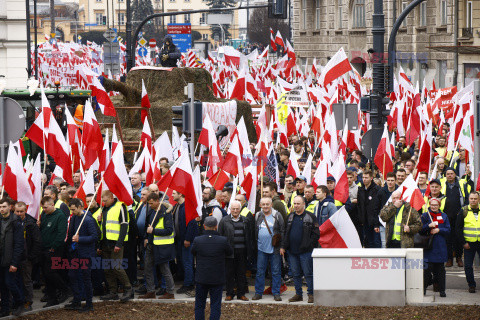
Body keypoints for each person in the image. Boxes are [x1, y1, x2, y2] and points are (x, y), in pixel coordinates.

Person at [191, 216, 233, 320]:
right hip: (217, 277)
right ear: (216, 227)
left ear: (204, 226)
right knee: (215, 304)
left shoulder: (198, 240)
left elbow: (193, 252)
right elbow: (230, 252)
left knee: (200, 304)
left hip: (202, 277)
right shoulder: (222, 240)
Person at [280, 196, 320, 303]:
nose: (296, 206)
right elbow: (285, 232)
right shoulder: (290, 217)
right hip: (292, 252)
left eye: (298, 204)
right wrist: (283, 246)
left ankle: (311, 294)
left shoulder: (310, 216)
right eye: (295, 204)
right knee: (295, 274)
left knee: (308, 274)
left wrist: (308, 245)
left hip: (306, 252)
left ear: (303, 204)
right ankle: (298, 295)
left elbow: (316, 234)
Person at [97, 191, 133, 302]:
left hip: (115, 244)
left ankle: (128, 289)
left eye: (105, 200)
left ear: (112, 198)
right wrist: (99, 222)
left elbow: (124, 225)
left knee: (117, 267)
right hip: (105, 243)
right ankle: (113, 292)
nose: (104, 202)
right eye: (102, 200)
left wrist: (119, 243)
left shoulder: (121, 206)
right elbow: (104, 227)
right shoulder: (104, 209)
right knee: (107, 269)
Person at [65, 198, 98, 312]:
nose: (72, 212)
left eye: (74, 209)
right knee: (72, 275)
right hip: (75, 253)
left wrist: (80, 239)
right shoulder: (74, 217)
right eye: (71, 210)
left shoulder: (88, 219)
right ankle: (76, 301)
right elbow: (71, 234)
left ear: (80, 207)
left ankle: (89, 304)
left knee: (86, 278)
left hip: (85, 254)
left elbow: (94, 236)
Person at [141, 192, 175, 299]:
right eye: (149, 203)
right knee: (147, 268)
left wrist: (154, 231)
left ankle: (170, 292)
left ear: (157, 201)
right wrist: (146, 237)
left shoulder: (166, 213)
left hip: (161, 246)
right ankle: (151, 291)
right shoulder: (151, 212)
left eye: (151, 203)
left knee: (164, 269)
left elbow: (169, 230)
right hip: (151, 244)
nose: (150, 205)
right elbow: (148, 226)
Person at [218, 200, 254, 301]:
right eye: (233, 209)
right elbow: (220, 236)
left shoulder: (245, 220)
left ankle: (241, 294)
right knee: (229, 274)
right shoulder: (224, 221)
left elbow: (249, 236)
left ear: (240, 209)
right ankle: (229, 293)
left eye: (237, 209)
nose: (235, 211)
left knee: (241, 274)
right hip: (229, 252)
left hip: (242, 252)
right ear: (230, 209)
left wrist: (249, 252)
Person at [39, 196, 69, 307]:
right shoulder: (44, 215)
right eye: (43, 207)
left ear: (52, 205)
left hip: (54, 250)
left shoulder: (60, 216)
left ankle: (64, 288)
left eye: (46, 207)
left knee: (51, 272)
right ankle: (52, 298)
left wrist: (53, 247)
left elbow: (61, 234)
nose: (44, 209)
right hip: (44, 249)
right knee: (46, 275)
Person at [252, 197, 284, 301]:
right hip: (261, 248)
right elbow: (255, 231)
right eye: (263, 204)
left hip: (275, 249)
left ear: (271, 205)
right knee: (260, 271)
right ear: (260, 205)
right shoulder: (258, 215)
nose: (265, 206)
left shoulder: (277, 215)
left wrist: (282, 247)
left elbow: (283, 231)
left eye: (267, 204)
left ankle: (276, 293)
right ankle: (258, 293)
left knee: (275, 271)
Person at [13, 201, 41, 312]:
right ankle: (17, 301)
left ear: (25, 211)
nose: (19, 213)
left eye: (21, 211)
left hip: (26, 257)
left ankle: (28, 302)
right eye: (17, 211)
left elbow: (37, 242)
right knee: (14, 280)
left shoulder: (31, 224)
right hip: (14, 257)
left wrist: (31, 256)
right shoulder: (12, 221)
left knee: (26, 281)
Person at [0, 198, 26, 317]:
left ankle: (20, 303)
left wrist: (14, 262)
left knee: (10, 282)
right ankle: (5, 308)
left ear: (10, 207)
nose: (2, 209)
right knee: (2, 285)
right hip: (1, 258)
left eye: (4, 206)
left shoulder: (16, 222)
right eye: (0, 207)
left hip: (10, 260)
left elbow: (19, 244)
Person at [441, 167, 470, 267]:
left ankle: (458, 258)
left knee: (458, 238)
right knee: (448, 239)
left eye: (451, 173)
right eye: (447, 174)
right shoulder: (442, 184)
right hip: (446, 216)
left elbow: (466, 198)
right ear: (445, 175)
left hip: (459, 215)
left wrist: (463, 211)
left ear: (455, 174)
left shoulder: (461, 184)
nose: (449, 175)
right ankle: (449, 259)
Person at [421, 198, 450, 297]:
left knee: (440, 271)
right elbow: (420, 230)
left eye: (436, 205)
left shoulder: (444, 216)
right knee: (426, 271)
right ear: (429, 205)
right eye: (432, 205)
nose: (434, 207)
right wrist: (428, 225)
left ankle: (442, 290)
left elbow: (448, 230)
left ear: (439, 206)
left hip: (440, 247)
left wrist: (439, 230)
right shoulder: (425, 216)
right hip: (429, 248)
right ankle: (423, 289)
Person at [455, 192, 480, 293]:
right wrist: (463, 242)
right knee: (468, 266)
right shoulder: (464, 210)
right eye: (471, 198)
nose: (473, 200)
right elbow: (458, 228)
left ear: (478, 200)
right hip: (469, 243)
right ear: (468, 199)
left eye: (475, 198)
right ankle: (471, 285)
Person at [358, 170, 381, 248]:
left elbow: (377, 206)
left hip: (374, 220)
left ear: (371, 178)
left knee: (376, 242)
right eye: (363, 177)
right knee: (367, 242)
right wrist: (361, 219)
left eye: (366, 178)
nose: (364, 179)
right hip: (365, 221)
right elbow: (359, 205)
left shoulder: (377, 189)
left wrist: (376, 222)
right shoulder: (360, 190)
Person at [376, 172, 398, 247]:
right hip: (383, 223)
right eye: (388, 180)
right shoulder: (381, 192)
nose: (390, 182)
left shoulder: (399, 191)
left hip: (396, 222)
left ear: (395, 181)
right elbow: (376, 208)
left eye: (392, 180)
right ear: (386, 181)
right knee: (384, 244)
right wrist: (376, 224)